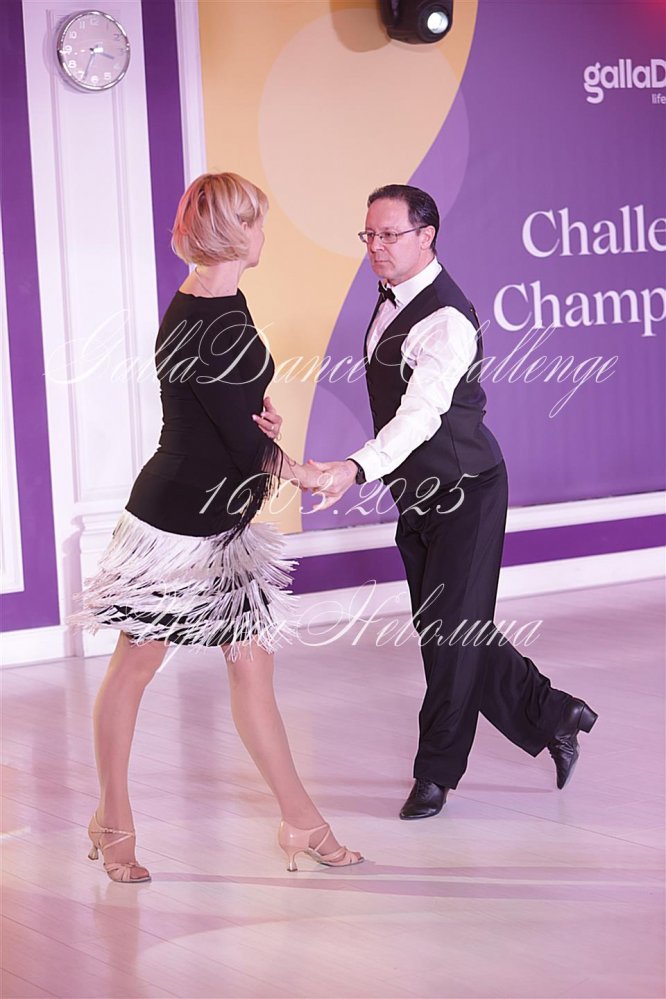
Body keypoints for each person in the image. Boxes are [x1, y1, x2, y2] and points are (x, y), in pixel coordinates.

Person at [71, 172, 362, 879]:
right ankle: (113, 819)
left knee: (251, 669)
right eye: (256, 220)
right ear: (234, 233)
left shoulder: (220, 296)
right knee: (136, 666)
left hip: (223, 524)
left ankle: (301, 821)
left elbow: (230, 410)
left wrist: (258, 411)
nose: (264, 232)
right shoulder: (209, 316)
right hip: (177, 525)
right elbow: (240, 444)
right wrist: (312, 474)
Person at [305, 184, 598, 820]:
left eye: (389, 235)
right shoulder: (391, 296)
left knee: (451, 641)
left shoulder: (445, 319)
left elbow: (420, 414)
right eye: (369, 235)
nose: (375, 247)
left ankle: (436, 775)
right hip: (419, 494)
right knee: (447, 630)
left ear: (426, 236)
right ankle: (555, 713)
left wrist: (356, 468)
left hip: (467, 493)